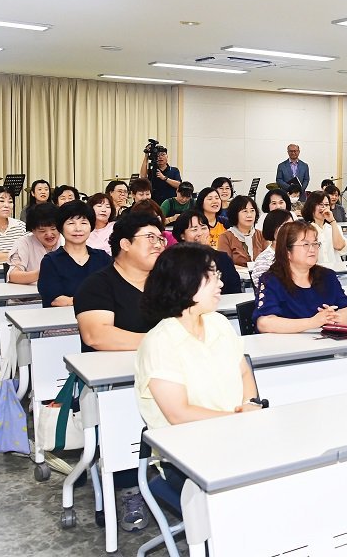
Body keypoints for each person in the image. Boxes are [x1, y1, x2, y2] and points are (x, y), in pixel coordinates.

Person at [135, 243, 263, 498]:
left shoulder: (218, 323)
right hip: (185, 454)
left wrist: (250, 404)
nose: (220, 284)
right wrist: (237, 420)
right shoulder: (160, 341)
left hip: (234, 437)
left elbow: (244, 372)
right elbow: (179, 414)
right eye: (211, 276)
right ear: (185, 282)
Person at [73, 212, 166, 532]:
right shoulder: (98, 285)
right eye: (150, 238)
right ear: (125, 244)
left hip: (164, 372)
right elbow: (97, 335)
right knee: (125, 419)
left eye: (160, 237)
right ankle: (129, 487)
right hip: (113, 384)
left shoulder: (165, 283)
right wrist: (160, 341)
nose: (159, 243)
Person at [254, 220, 347, 333]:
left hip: (326, 345)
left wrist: (335, 317)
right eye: (305, 244)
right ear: (287, 252)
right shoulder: (271, 280)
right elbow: (264, 323)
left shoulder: (327, 276)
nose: (312, 249)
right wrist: (313, 322)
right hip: (288, 347)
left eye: (315, 243)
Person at [38, 201, 112, 307]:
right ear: (61, 228)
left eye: (83, 223)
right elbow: (56, 300)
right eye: (71, 223)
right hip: (62, 320)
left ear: (91, 227)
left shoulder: (103, 258)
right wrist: (96, 301)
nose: (78, 228)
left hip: (99, 320)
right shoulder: (51, 261)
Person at [173, 210, 242, 294]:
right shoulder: (174, 261)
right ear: (182, 235)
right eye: (194, 229)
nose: (200, 233)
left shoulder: (222, 258)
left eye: (204, 228)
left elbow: (235, 290)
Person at [7, 203, 60, 284]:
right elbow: (12, 276)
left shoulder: (67, 241)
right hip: (30, 294)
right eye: (42, 231)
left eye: (53, 229)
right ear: (33, 230)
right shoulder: (24, 243)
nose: (49, 234)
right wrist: (42, 273)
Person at [302, 190, 347, 268]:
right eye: (320, 204)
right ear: (311, 206)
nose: (323, 208)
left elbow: (339, 246)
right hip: (315, 272)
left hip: (336, 271)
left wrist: (332, 221)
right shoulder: (304, 229)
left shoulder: (334, 227)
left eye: (326, 205)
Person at [249, 209, 293, 289]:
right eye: (284, 226)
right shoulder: (264, 260)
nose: (290, 230)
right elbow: (265, 290)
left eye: (292, 226)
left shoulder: (299, 252)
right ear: (272, 228)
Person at [217, 195, 266, 267]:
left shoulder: (261, 235)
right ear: (235, 214)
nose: (249, 215)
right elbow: (225, 265)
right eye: (245, 211)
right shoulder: (225, 237)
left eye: (252, 211)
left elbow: (268, 261)